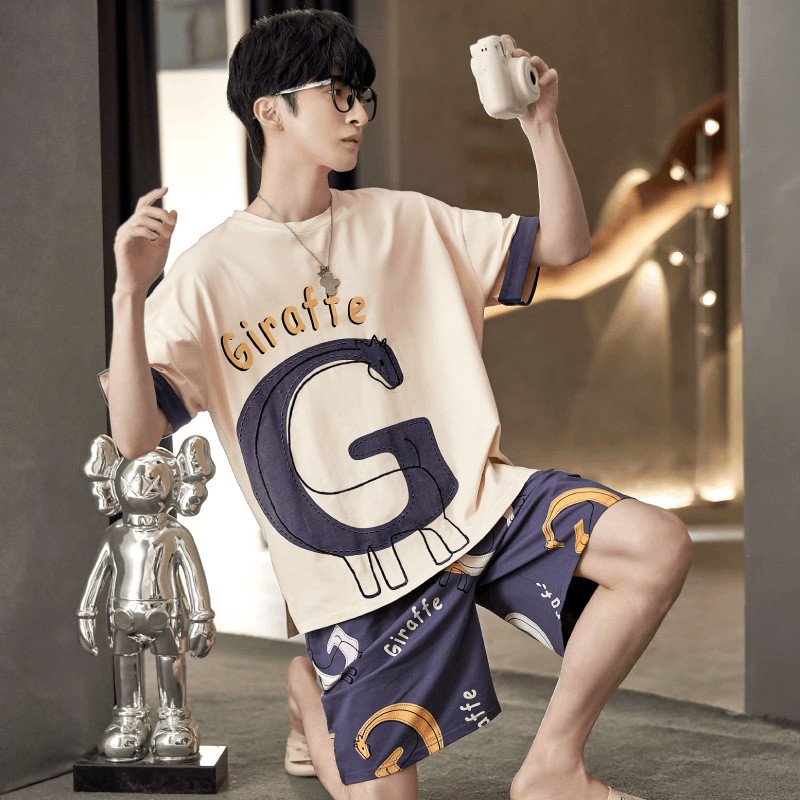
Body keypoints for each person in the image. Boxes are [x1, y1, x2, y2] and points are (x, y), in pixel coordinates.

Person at [101, 9, 692, 800]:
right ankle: (311, 696)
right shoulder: (206, 276)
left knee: (656, 544)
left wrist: (541, 126)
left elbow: (562, 249)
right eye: (338, 93)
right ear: (270, 110)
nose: (358, 114)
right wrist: (129, 292)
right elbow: (135, 436)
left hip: (478, 507)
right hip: (353, 578)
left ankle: (554, 765)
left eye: (363, 97)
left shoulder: (406, 219)